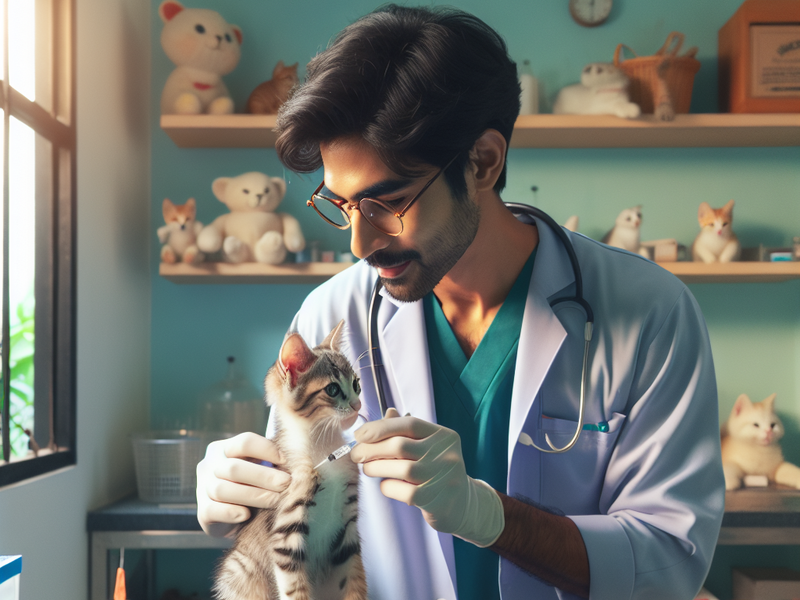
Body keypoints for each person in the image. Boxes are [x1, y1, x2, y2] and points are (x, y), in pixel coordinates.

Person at [196, 5, 725, 599]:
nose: (361, 242)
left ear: (482, 161)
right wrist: (233, 501)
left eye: (386, 202)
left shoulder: (652, 313)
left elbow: (671, 563)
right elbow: (298, 534)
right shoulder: (331, 317)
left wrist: (489, 517)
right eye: (342, 205)